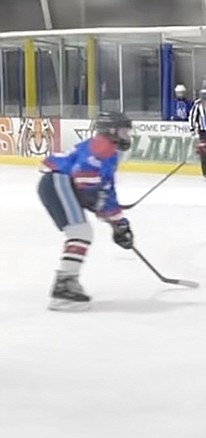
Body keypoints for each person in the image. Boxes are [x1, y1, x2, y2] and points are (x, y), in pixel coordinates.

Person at [37, 111, 135, 311]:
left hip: (58, 182)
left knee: (81, 232)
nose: (127, 135)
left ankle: (66, 282)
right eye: (124, 130)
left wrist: (119, 223)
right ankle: (63, 288)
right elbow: (86, 181)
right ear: (111, 130)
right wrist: (106, 211)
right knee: (80, 232)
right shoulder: (102, 147)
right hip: (58, 181)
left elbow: (106, 190)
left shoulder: (109, 149)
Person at [188, 88, 206, 179]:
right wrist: (192, 128)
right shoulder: (198, 104)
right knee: (205, 152)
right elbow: (193, 116)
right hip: (203, 132)